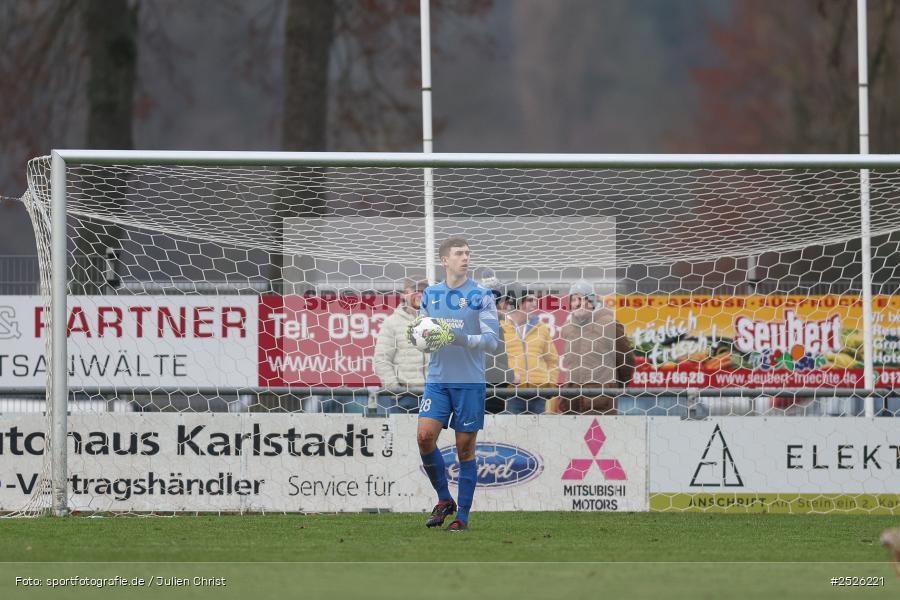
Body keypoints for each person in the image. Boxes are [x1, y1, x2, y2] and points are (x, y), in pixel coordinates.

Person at [412, 237, 499, 532]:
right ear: (444, 260)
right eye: (459, 253)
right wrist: (422, 338)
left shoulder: (482, 295)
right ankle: (443, 499)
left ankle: (462, 516)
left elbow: (491, 341)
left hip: (469, 382)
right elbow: (422, 333)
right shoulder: (431, 295)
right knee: (424, 436)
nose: (465, 258)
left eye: (468, 253)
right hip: (438, 380)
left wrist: (458, 338)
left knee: (464, 449)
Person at [558, 280, 635, 415]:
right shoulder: (567, 328)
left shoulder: (608, 324)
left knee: (598, 435)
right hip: (572, 401)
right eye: (575, 299)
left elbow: (626, 361)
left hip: (600, 401)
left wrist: (612, 387)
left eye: (584, 298)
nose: (579, 303)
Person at [372, 278, 429, 414]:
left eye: (424, 291)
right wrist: (396, 391)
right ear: (404, 294)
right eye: (415, 291)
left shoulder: (437, 321)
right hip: (405, 398)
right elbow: (382, 359)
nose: (420, 294)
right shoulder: (392, 323)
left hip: (435, 396)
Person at [500, 291, 559, 414]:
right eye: (530, 300)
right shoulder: (501, 326)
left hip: (538, 394)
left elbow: (553, 360)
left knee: (539, 431)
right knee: (512, 431)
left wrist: (550, 386)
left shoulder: (541, 327)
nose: (535, 304)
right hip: (511, 393)